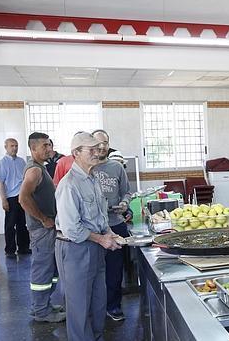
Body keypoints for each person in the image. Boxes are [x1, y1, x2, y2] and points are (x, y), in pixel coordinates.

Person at [55, 132, 122, 341]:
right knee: (79, 306)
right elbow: (71, 229)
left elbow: (100, 215)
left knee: (98, 302)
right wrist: (102, 239)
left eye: (99, 147)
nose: (97, 151)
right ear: (76, 153)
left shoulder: (93, 178)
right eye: (91, 149)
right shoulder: (69, 184)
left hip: (95, 246)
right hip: (75, 248)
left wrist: (109, 233)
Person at [18, 132, 65, 323]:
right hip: (42, 230)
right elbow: (23, 198)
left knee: (51, 269)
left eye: (50, 145)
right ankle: (41, 311)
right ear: (33, 148)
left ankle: (44, 305)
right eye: (45, 145)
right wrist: (43, 219)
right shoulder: (34, 171)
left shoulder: (40, 167)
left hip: (48, 228)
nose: (49, 149)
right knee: (43, 269)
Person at [91, 130, 131, 321]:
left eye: (105, 143)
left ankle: (113, 306)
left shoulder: (117, 167)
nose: (102, 146)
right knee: (93, 271)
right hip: (94, 229)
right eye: (98, 143)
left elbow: (127, 193)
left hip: (116, 225)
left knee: (115, 272)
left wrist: (124, 204)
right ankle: (94, 308)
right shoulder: (86, 167)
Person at [0, 138, 30, 258]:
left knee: (22, 224)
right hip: (11, 197)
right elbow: (0, 183)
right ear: (6, 147)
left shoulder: (21, 161)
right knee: (10, 225)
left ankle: (23, 248)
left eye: (16, 145)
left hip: (22, 196)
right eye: (12, 146)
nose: (14, 148)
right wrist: (4, 200)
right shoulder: (2, 163)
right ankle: (10, 249)